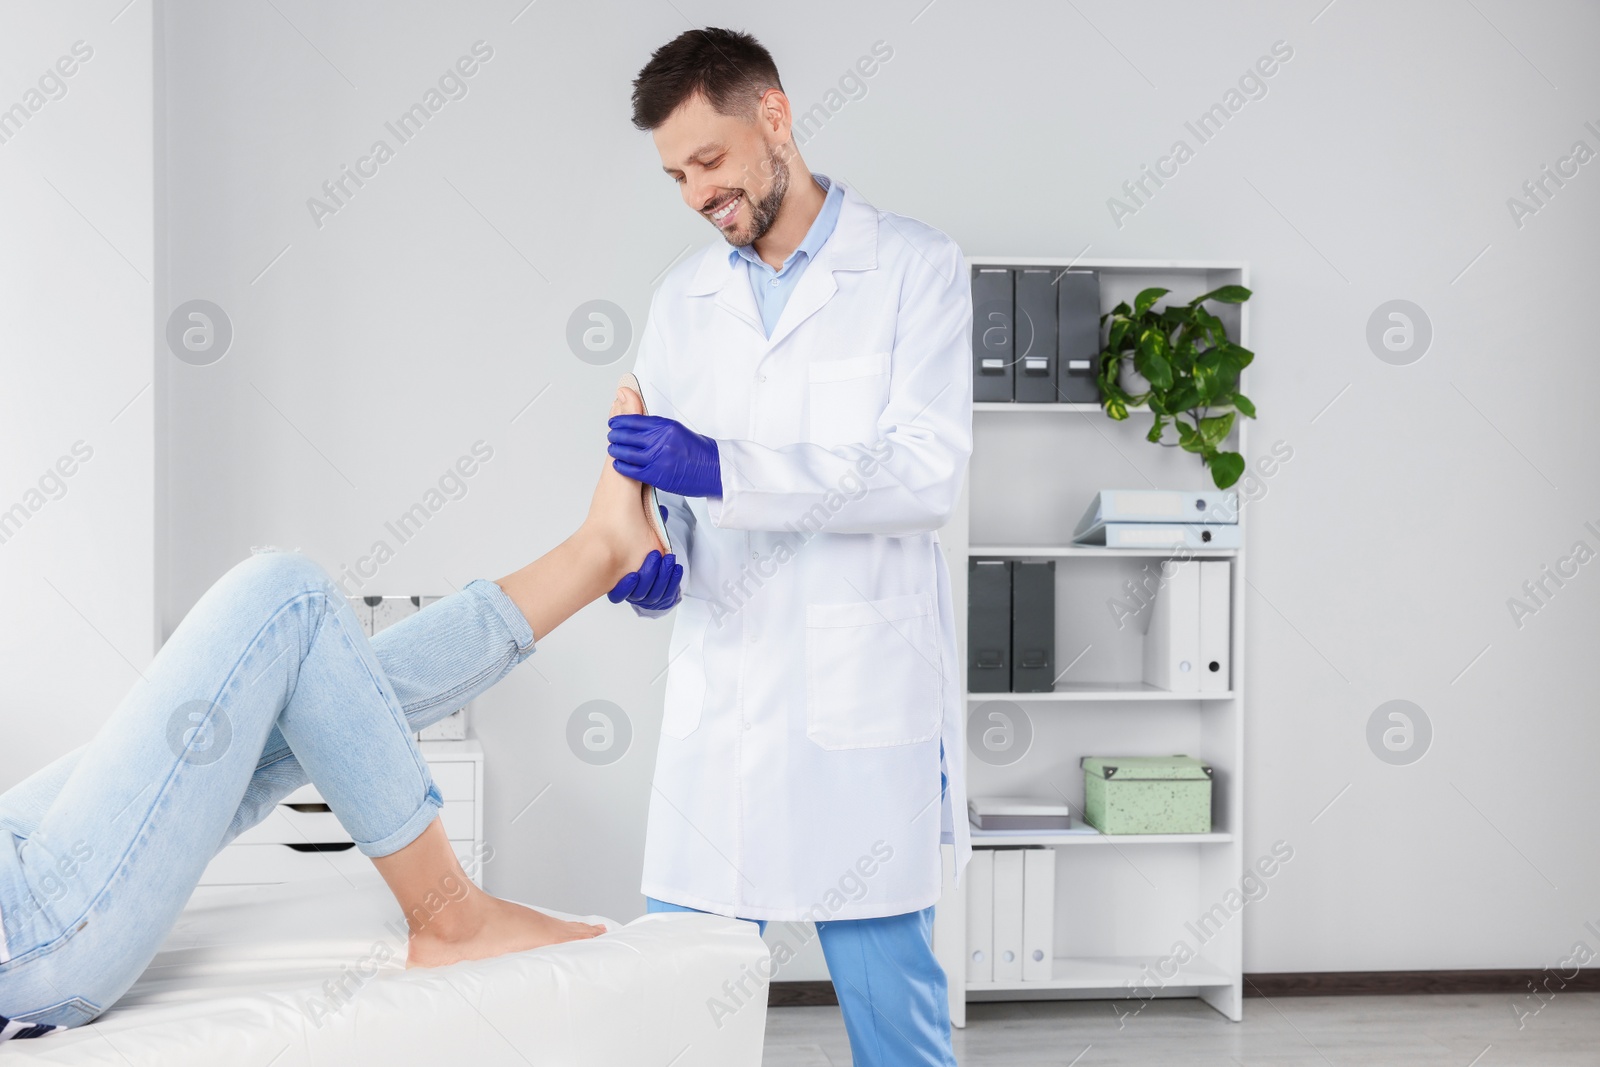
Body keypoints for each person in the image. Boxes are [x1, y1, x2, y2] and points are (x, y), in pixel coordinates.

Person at [0, 387, 668, 1043]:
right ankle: (452, 920)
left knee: (311, 676)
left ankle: (600, 551)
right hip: (26, 930)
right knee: (288, 597)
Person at [606, 27, 973, 1067]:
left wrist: (720, 467)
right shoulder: (682, 301)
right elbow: (661, 490)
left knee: (890, 1006)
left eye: (708, 160)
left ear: (774, 117)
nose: (694, 193)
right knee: (677, 1000)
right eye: (676, 174)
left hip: (855, 701)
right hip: (720, 698)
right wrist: (651, 549)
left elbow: (922, 472)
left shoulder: (913, 269)